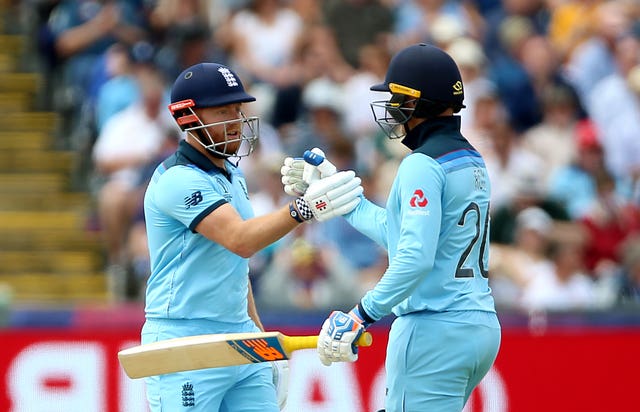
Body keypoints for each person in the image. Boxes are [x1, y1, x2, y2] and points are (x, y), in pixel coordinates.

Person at [140, 62, 363, 411]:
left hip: (241, 334)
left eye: (238, 110)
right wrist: (304, 208)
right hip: (185, 338)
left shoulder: (232, 172)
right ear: (187, 118)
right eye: (223, 111)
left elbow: (237, 263)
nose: (235, 121)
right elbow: (240, 239)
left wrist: (260, 339)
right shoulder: (177, 179)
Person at [309, 43, 501, 411]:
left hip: (434, 328)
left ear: (421, 103)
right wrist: (348, 202)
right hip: (479, 326)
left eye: (400, 98)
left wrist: (360, 314)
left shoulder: (421, 164)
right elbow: (405, 236)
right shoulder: (471, 159)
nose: (393, 107)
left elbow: (414, 256)